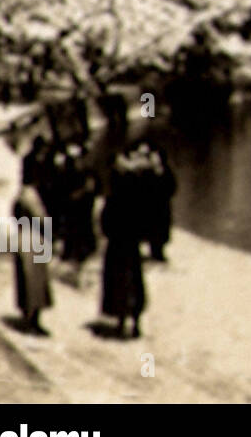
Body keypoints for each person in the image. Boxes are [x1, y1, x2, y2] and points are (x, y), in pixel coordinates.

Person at [100, 148, 147, 339]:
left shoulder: (114, 198)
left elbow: (106, 222)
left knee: (119, 282)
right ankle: (134, 322)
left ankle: (122, 321)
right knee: (133, 282)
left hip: (118, 244)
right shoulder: (136, 196)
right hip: (131, 243)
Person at [13, 170, 53, 336]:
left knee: (24, 278)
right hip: (34, 239)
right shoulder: (32, 196)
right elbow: (41, 217)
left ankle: (26, 316)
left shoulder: (20, 194)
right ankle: (33, 321)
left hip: (22, 236)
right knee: (35, 281)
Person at [58, 143, 97, 277]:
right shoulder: (67, 172)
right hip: (72, 208)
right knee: (72, 230)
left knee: (82, 229)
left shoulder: (86, 171)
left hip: (82, 207)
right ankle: (72, 254)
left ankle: (81, 254)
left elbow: (92, 188)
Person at [142, 142, 176, 262]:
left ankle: (159, 252)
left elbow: (173, 187)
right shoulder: (148, 173)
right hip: (152, 207)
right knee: (153, 229)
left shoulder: (166, 171)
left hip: (163, 205)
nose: (155, 160)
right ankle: (154, 252)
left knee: (162, 230)